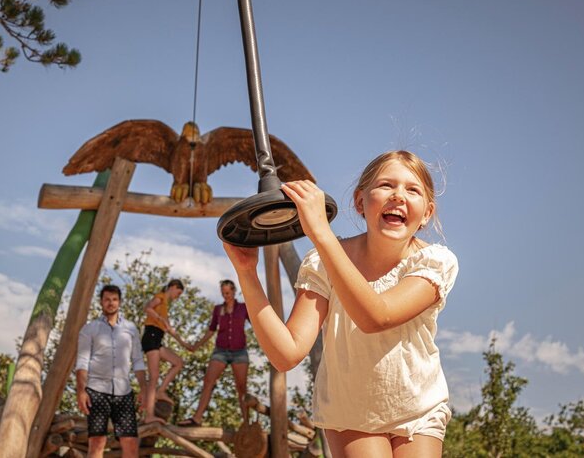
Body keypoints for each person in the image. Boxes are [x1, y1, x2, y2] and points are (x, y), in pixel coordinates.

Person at [223, 150, 459, 457]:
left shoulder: (435, 262)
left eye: (412, 190)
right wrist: (246, 273)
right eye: (386, 185)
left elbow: (377, 316)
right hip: (350, 412)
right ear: (360, 201)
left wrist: (322, 233)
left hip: (419, 407)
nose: (398, 196)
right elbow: (286, 353)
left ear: (427, 212)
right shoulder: (322, 262)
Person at [75, 284, 147, 458]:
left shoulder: (131, 329)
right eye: (107, 299)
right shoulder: (89, 329)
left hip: (124, 392)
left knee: (130, 442)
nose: (111, 303)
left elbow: (137, 360)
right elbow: (82, 361)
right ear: (101, 302)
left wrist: (144, 389)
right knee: (97, 441)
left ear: (119, 302)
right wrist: (80, 391)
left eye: (114, 300)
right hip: (96, 391)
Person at [178, 279, 250, 427]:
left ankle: (247, 422)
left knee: (242, 387)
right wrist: (196, 345)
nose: (226, 295)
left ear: (234, 291)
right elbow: (211, 330)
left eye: (228, 292)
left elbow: (258, 324)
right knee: (208, 382)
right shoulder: (218, 309)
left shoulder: (243, 308)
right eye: (223, 293)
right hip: (221, 351)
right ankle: (197, 418)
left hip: (239, 352)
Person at [141, 278, 192, 423]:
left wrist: (185, 344)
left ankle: (161, 391)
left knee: (178, 362)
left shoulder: (165, 306)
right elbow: (148, 308)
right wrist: (159, 318)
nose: (178, 296)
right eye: (179, 293)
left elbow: (170, 330)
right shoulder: (161, 297)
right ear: (173, 287)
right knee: (154, 377)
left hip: (157, 338)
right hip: (151, 336)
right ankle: (149, 415)